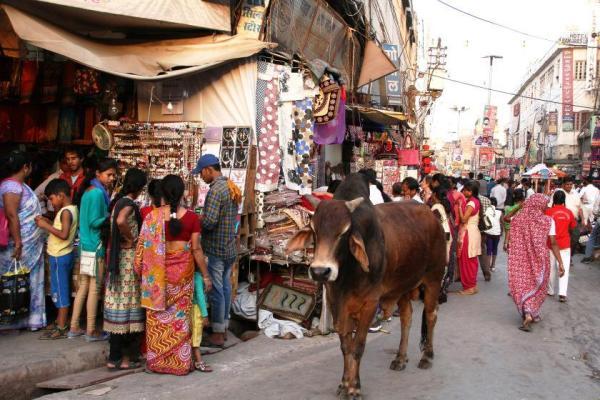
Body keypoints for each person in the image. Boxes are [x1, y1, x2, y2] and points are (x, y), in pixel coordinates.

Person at [135, 175, 211, 375]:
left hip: (157, 280)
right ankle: (180, 363)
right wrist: (205, 276)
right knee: (179, 320)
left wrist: (138, 272)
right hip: (183, 277)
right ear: (182, 192)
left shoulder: (151, 217)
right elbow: (196, 250)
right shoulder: (192, 218)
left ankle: (157, 362)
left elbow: (141, 249)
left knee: (158, 320)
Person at [192, 154, 241, 347]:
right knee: (226, 287)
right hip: (229, 247)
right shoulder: (229, 185)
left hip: (216, 248)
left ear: (208, 170)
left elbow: (210, 222)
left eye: (201, 173)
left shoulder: (215, 191)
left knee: (217, 290)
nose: (201, 177)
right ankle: (224, 326)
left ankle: (218, 333)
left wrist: (198, 219)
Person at [69, 158, 117, 341]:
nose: (111, 178)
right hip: (95, 247)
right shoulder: (98, 193)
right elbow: (94, 222)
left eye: (113, 175)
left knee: (83, 288)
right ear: (98, 173)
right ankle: (90, 329)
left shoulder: (88, 191)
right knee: (95, 289)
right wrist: (109, 218)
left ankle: (74, 326)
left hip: (84, 245)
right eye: (109, 174)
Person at [104, 168, 147, 370]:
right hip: (129, 260)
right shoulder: (128, 204)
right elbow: (121, 221)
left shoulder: (117, 202)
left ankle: (113, 358)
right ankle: (128, 358)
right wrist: (133, 238)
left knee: (118, 306)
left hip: (118, 260)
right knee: (130, 307)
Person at [0, 151, 46, 330]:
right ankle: (15, 319)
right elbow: (12, 215)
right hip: (20, 244)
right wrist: (18, 242)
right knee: (15, 279)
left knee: (26, 279)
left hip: (29, 243)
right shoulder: (12, 187)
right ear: (25, 167)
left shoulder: (17, 185)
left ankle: (30, 318)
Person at [507, 194, 564, 332]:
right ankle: (530, 313)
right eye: (545, 203)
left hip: (520, 260)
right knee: (537, 286)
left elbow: (506, 218)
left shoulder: (519, 219)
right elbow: (554, 243)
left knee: (522, 285)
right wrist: (560, 262)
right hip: (540, 259)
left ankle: (528, 313)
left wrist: (519, 207)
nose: (547, 206)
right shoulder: (548, 221)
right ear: (539, 204)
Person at [35, 179, 78, 339]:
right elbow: (60, 228)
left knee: (61, 292)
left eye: (52, 199)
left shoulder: (66, 212)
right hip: (60, 254)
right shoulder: (69, 210)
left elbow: (64, 234)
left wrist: (45, 226)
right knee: (59, 290)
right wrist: (49, 222)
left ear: (60, 196)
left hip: (60, 255)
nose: (51, 203)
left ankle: (61, 326)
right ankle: (60, 320)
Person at [545, 191, 576, 302]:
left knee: (551, 268)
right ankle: (562, 294)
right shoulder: (569, 212)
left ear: (553, 200)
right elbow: (572, 227)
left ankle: (551, 290)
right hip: (565, 244)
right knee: (564, 268)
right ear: (564, 200)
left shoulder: (548, 212)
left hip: (550, 244)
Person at [455, 181, 481, 295]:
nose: (463, 191)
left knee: (466, 261)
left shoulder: (471, 203)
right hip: (472, 233)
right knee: (471, 260)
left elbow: (464, 219)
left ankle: (469, 287)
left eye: (465, 190)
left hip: (468, 233)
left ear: (471, 191)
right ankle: (472, 285)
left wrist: (460, 207)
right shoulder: (474, 201)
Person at [431, 186, 455, 303]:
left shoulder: (436, 207)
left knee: (440, 264)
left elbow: (435, 223)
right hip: (447, 235)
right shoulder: (444, 206)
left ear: (435, 195)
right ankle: (442, 291)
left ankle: (438, 292)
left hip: (442, 236)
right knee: (445, 263)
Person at [552, 177, 583, 256]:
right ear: (563, 185)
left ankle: (569, 255)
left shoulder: (575, 193)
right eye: (567, 184)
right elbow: (551, 206)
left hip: (574, 220)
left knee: (575, 238)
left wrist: (583, 219)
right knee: (560, 238)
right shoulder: (558, 193)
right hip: (561, 220)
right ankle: (559, 255)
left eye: (570, 184)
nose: (569, 186)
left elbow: (580, 208)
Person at [478, 191, 493, 281]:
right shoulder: (486, 199)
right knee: (483, 250)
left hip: (473, 226)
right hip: (483, 227)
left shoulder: (471, 200)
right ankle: (486, 273)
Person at [484, 197, 502, 272]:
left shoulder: (486, 211)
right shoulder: (500, 212)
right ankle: (493, 266)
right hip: (497, 233)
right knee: (495, 249)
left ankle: (487, 267)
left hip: (488, 232)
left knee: (489, 249)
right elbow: (501, 223)